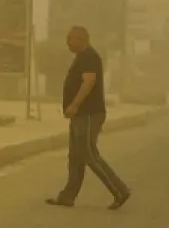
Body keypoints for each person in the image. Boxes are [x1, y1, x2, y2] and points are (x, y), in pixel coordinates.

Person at [47, 26, 131, 210]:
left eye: (72, 39)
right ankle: (67, 196)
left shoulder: (89, 57)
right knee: (76, 156)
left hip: (88, 114)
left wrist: (75, 105)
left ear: (82, 39)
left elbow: (89, 81)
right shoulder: (82, 57)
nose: (68, 42)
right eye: (67, 39)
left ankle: (120, 190)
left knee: (89, 155)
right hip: (81, 115)